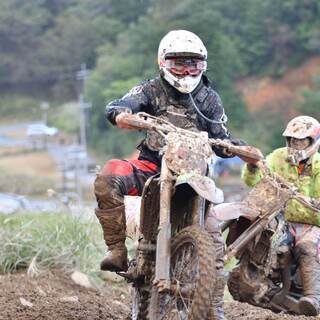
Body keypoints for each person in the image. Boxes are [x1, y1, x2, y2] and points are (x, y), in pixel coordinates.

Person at [94, 29, 245, 319]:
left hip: (196, 175)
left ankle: (212, 304)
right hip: (153, 166)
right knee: (109, 175)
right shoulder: (150, 90)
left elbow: (222, 138)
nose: (187, 71)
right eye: (179, 64)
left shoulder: (209, 98)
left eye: (194, 64)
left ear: (203, 65)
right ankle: (116, 249)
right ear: (164, 63)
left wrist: (237, 147)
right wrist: (122, 115)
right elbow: (119, 106)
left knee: (213, 239)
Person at [242, 115, 320, 316]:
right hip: (281, 220)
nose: (296, 143)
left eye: (301, 139)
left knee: (307, 247)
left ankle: (313, 298)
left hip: (312, 223)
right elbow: (255, 180)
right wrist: (252, 166)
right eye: (292, 139)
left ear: (312, 142)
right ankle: (262, 284)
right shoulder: (277, 156)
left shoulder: (319, 165)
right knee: (268, 244)